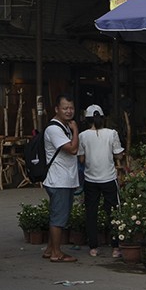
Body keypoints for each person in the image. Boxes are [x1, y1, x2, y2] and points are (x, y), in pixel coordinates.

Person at [77, 104, 126, 258]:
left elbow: (81, 158)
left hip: (91, 179)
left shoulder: (82, 136)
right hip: (109, 178)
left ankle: (93, 248)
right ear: (103, 119)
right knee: (113, 213)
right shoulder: (112, 133)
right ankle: (116, 248)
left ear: (87, 120)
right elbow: (118, 155)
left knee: (91, 213)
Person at [40, 96, 80, 264]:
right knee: (58, 218)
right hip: (59, 180)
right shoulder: (54, 129)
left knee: (60, 215)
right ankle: (57, 253)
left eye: (71, 108)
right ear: (56, 109)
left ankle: (50, 249)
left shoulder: (65, 126)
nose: (69, 111)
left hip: (65, 178)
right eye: (65, 108)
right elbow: (72, 149)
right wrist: (76, 130)